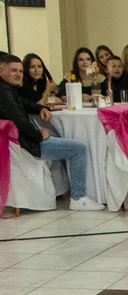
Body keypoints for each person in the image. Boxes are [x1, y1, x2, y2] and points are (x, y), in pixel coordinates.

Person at [0, 53, 102, 210]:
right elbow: (19, 121)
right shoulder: (4, 92)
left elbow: (26, 104)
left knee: (62, 138)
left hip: (19, 141)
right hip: (26, 144)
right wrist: (38, 135)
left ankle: (67, 190)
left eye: (20, 71)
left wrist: (40, 108)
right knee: (78, 148)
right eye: (14, 70)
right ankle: (78, 197)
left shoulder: (8, 89)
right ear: (1, 71)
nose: (18, 74)